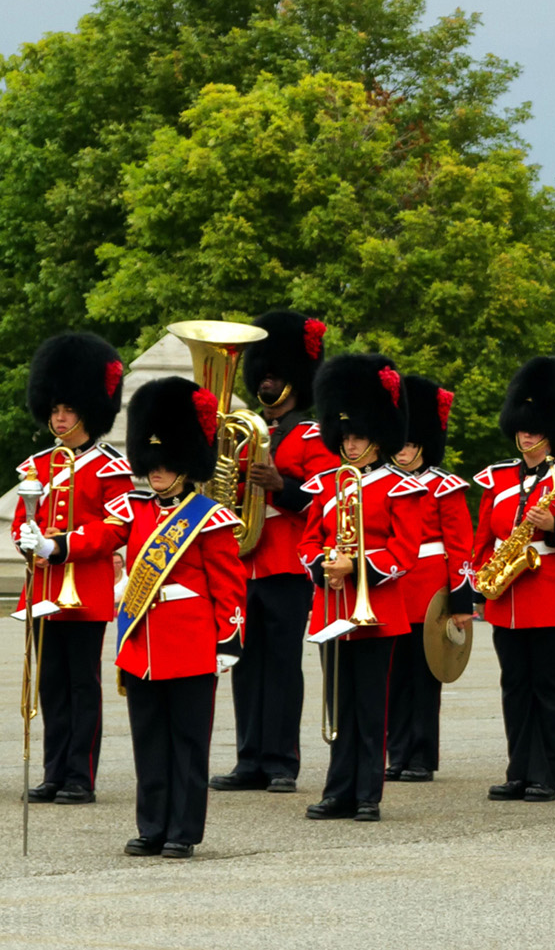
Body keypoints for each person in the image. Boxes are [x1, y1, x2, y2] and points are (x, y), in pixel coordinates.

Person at [111, 377, 248, 858]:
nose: (158, 471)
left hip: (191, 644)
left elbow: (229, 585)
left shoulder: (210, 517)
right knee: (149, 741)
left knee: (188, 743)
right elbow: (96, 541)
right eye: (152, 463)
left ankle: (183, 831)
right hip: (142, 644)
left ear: (187, 465)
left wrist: (228, 640)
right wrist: (52, 545)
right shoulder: (135, 511)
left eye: (167, 462)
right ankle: (152, 826)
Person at [456, 357, 555, 805]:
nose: (527, 434)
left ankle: (546, 774)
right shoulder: (498, 477)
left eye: (535, 428)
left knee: (550, 688)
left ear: (551, 430)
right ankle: (518, 769)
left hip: (552, 593)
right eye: (523, 427)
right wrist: (478, 583)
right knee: (514, 686)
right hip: (506, 595)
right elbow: (482, 538)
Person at [213, 310, 337, 795]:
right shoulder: (244, 432)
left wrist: (281, 487)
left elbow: (327, 499)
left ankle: (282, 761)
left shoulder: (312, 433)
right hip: (245, 562)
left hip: (286, 562)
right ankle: (250, 760)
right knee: (246, 664)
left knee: (282, 666)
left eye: (276, 375)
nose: (268, 383)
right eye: (262, 375)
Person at [299, 353, 419, 822]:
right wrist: (322, 565)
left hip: (376, 606)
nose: (350, 445)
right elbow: (309, 539)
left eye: (359, 437)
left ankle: (367, 793)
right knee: (339, 703)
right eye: (345, 437)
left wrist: (358, 566)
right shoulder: (327, 485)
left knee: (370, 706)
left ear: (377, 438)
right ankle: (338, 790)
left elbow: (404, 552)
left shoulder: (399, 486)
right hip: (333, 605)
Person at [13, 332, 128, 807]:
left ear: (87, 410)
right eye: (55, 409)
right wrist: (27, 540)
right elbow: (24, 519)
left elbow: (116, 526)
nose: (59, 417)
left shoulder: (109, 467)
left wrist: (60, 545)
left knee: (83, 685)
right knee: (52, 685)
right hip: (44, 589)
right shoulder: (37, 465)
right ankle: (53, 771)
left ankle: (81, 775)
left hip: (83, 589)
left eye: (68, 409)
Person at [384, 375, 467, 782]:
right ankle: (397, 754)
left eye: (411, 444)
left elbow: (460, 548)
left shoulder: (444, 486)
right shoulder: (381, 483)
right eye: (399, 443)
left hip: (430, 590)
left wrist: (461, 603)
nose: (403, 451)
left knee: (424, 677)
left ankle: (420, 757)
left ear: (423, 446)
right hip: (390, 589)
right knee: (394, 678)